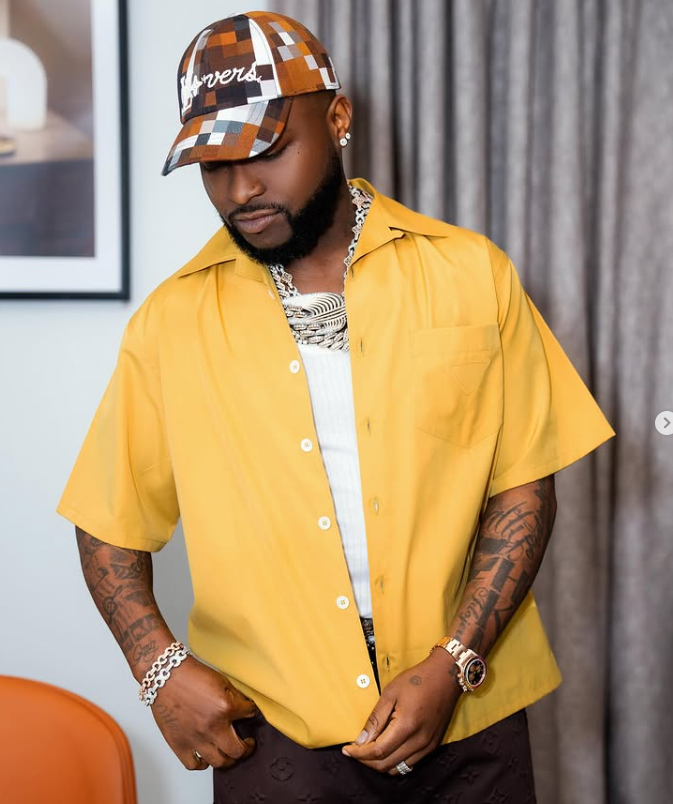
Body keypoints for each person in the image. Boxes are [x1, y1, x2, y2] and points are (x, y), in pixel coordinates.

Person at [58, 10, 614, 804]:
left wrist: (453, 662)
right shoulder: (171, 322)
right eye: (215, 165)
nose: (241, 189)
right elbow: (107, 522)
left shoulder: (469, 275)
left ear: (339, 119)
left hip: (469, 713)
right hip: (273, 734)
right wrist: (157, 668)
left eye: (267, 151)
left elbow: (522, 485)